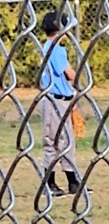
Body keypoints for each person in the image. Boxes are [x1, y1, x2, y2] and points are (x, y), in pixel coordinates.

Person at [38, 12, 83, 199]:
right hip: (53, 100)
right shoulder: (55, 49)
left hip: (62, 99)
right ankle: (49, 183)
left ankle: (73, 182)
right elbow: (69, 74)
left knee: (66, 140)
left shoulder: (49, 47)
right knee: (53, 142)